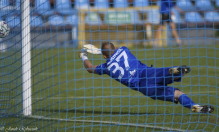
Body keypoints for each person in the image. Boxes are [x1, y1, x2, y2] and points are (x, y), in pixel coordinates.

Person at [79, 42, 214, 113]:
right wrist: (99, 51)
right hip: (146, 72)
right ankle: (175, 72)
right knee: (165, 73)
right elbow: (111, 51)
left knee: (177, 94)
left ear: (103, 57)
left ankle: (194, 106)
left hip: (143, 86)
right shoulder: (124, 49)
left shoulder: (107, 67)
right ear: (115, 48)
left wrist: (84, 56)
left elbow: (90, 68)